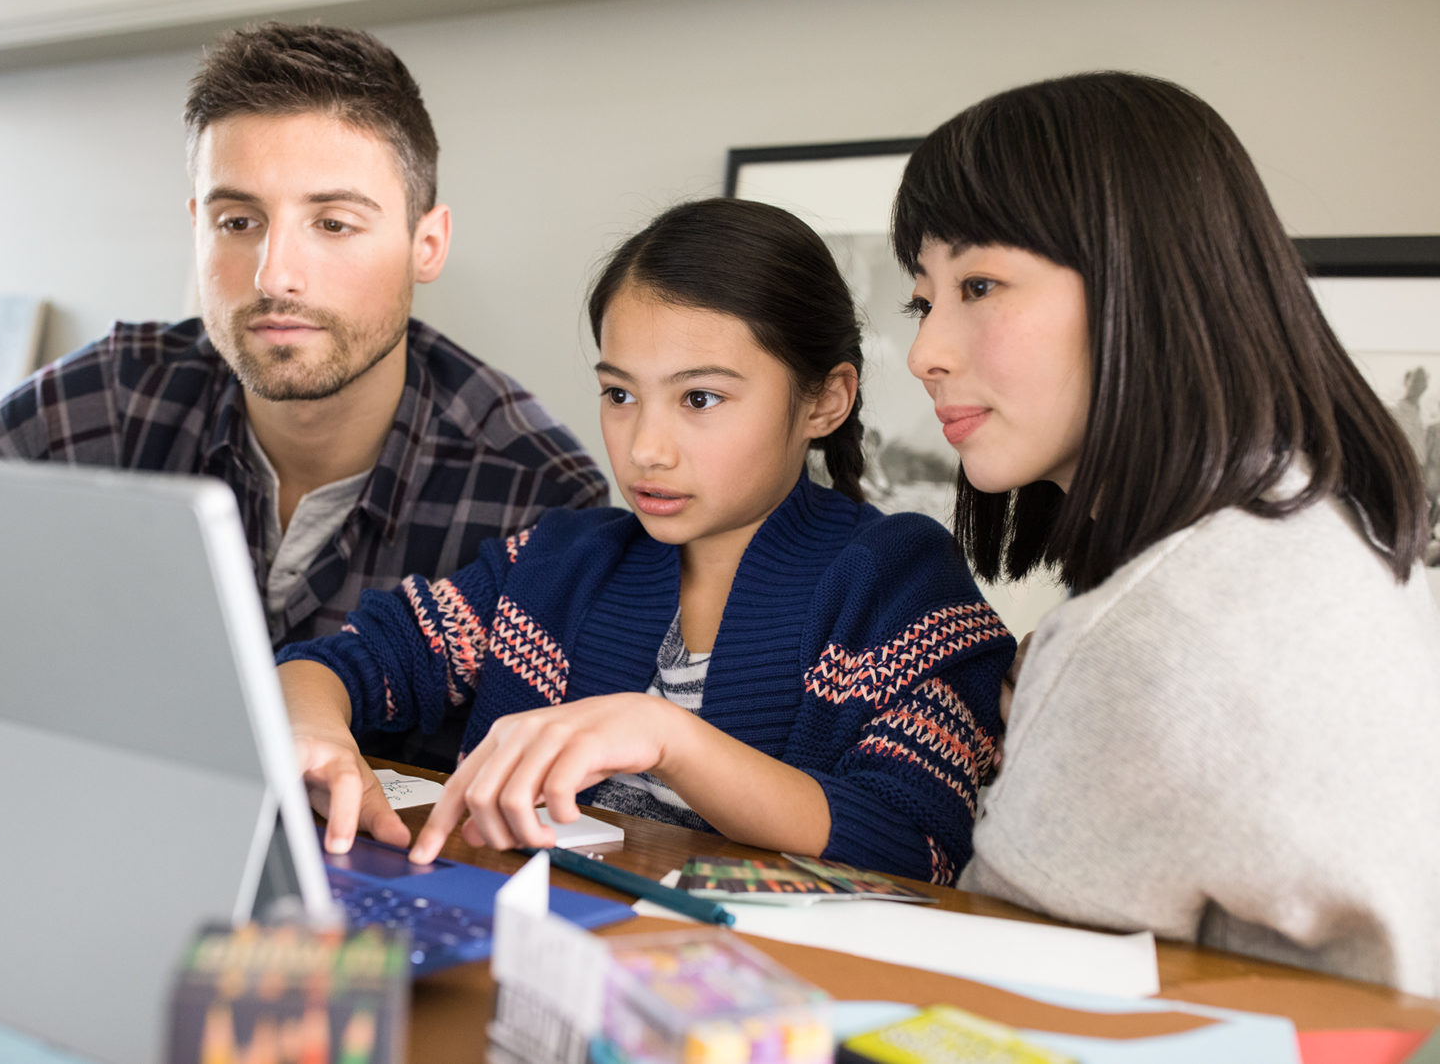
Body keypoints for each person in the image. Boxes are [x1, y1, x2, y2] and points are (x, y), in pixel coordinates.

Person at [0, 22, 606, 767]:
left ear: (427, 244)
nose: (275, 275)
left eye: (334, 223)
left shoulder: (537, 494)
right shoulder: (122, 391)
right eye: (238, 222)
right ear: (198, 230)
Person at [894, 71, 1440, 994]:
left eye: (979, 284)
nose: (925, 352)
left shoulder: (1156, 624)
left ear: (1136, 281)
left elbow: (990, 1004)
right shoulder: (1320, 520)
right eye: (925, 299)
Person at [279, 198, 1014, 881]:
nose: (645, 449)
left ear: (826, 400)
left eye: (700, 398)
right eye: (620, 394)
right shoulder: (559, 561)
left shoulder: (900, 582)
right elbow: (338, 664)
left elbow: (917, 840)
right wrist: (312, 731)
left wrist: (668, 737)